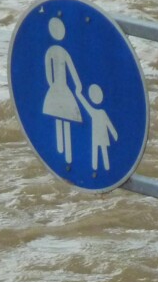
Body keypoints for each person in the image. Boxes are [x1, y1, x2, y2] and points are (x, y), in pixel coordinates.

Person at [41, 17, 83, 164]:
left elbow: (53, 73)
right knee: (62, 117)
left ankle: (64, 154)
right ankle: (64, 154)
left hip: (58, 88)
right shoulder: (56, 51)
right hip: (60, 88)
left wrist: (53, 84)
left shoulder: (53, 51)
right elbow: (70, 70)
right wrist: (77, 85)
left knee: (62, 117)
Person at [80, 84, 117, 172]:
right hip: (97, 136)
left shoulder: (100, 112)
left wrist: (114, 133)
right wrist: (79, 95)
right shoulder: (98, 112)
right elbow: (86, 105)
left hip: (100, 136)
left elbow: (108, 123)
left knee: (100, 151)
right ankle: (98, 168)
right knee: (97, 151)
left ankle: (102, 168)